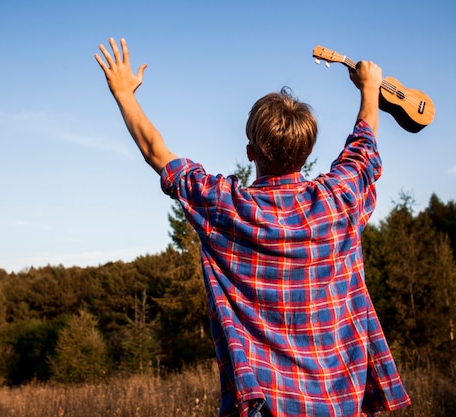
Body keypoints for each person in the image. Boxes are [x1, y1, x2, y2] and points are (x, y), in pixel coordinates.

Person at [95, 38, 411, 417]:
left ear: (251, 152)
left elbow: (156, 153)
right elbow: (363, 148)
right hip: (340, 403)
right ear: (308, 151)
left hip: (267, 407)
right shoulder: (336, 200)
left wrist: (124, 94)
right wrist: (369, 89)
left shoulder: (226, 207)